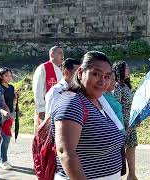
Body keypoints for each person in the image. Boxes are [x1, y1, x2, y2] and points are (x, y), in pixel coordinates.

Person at [52, 51, 125, 179]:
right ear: (80, 73)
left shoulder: (100, 102)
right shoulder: (72, 102)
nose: (102, 81)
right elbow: (65, 152)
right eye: (96, 74)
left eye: (107, 76)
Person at [113, 61, 137, 180]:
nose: (129, 69)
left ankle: (132, 174)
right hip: (123, 123)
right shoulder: (117, 86)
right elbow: (116, 107)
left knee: (131, 146)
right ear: (120, 70)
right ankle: (119, 174)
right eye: (126, 67)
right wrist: (123, 124)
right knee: (120, 149)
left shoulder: (126, 85)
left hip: (130, 122)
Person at [32, 46, 64, 133]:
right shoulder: (43, 68)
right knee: (44, 136)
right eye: (59, 53)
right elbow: (37, 89)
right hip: (46, 109)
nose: (62, 55)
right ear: (52, 54)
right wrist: (41, 109)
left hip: (59, 109)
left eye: (62, 53)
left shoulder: (62, 69)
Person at [103, 72, 126, 176]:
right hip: (112, 137)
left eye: (114, 79)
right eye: (111, 79)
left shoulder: (110, 94)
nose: (114, 82)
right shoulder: (101, 97)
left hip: (119, 135)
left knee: (119, 171)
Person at [0, 67, 18, 170]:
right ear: (1, 76)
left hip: (10, 114)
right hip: (1, 115)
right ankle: (3, 161)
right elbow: (1, 103)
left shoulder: (11, 87)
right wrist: (7, 113)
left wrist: (15, 96)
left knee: (3, 137)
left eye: (10, 75)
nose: (9, 77)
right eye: (6, 75)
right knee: (6, 137)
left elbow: (11, 101)